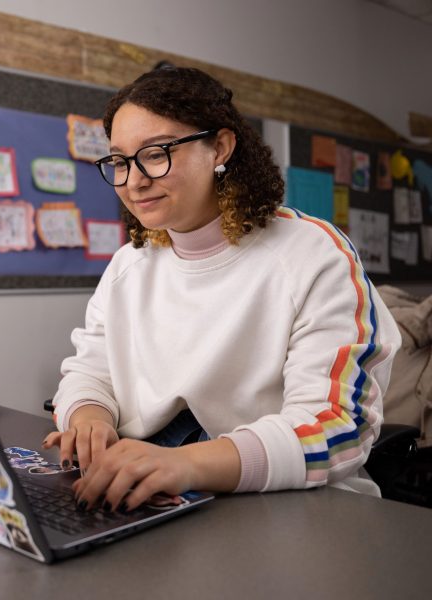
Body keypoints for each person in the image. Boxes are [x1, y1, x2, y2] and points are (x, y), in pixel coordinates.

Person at [43, 66, 401, 513]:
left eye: (155, 153)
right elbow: (90, 369)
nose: (133, 181)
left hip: (288, 504)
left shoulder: (313, 255)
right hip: (155, 487)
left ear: (221, 147)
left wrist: (186, 463)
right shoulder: (128, 266)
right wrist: (88, 415)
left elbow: (337, 427)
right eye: (118, 161)